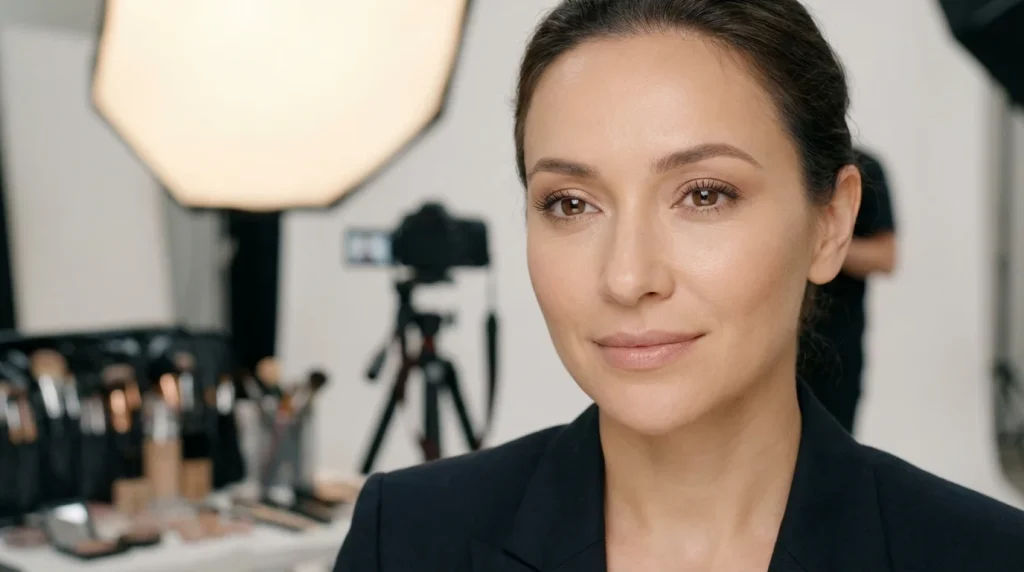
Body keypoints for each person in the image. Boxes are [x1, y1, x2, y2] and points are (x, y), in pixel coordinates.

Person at [335, 1, 1024, 570]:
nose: (628, 277)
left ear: (831, 223)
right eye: (570, 203)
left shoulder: (986, 555)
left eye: (704, 195)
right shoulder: (405, 538)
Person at [800, 148, 897, 433]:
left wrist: (822, 242)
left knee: (831, 446)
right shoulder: (780, 158)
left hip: (837, 345)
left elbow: (885, 256)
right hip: (773, 339)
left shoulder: (865, 168)